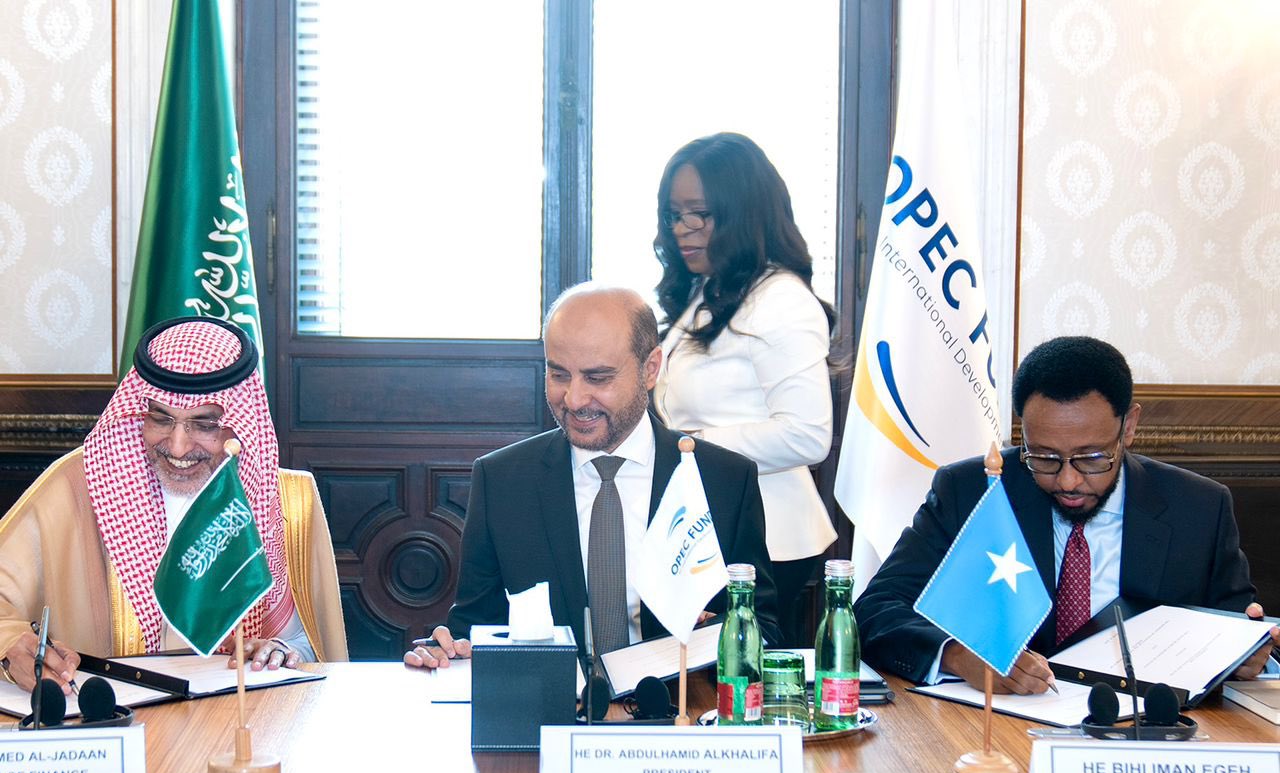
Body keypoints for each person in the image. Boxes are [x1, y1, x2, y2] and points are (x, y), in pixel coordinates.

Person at [856, 335, 1276, 693]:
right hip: (1002, 723)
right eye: (1044, 457)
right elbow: (876, 608)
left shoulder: (1198, 507)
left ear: (1129, 426)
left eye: (1091, 458)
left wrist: (1249, 656)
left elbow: (1238, 629)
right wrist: (958, 657)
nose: (1069, 481)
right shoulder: (972, 491)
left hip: (1147, 730)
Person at [405, 282, 780, 669]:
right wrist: (444, 649)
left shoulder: (722, 480)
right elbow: (474, 628)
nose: (574, 399)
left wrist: (709, 638)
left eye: (598, 378)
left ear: (650, 369)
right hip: (551, 702)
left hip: (678, 702)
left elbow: (763, 628)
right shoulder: (502, 481)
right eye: (559, 375)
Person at [0, 318, 348, 692]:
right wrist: (11, 645)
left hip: (242, 718)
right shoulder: (76, 485)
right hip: (110, 716)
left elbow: (310, 642)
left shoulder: (289, 502)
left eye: (204, 425)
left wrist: (280, 650)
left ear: (239, 423)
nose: (178, 447)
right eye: (161, 419)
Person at [650, 132, 836, 645]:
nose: (681, 229)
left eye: (699, 214)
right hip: (710, 528)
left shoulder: (781, 300)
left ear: (744, 212)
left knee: (742, 683)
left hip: (770, 539)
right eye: (674, 214)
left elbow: (807, 435)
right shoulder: (709, 290)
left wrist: (690, 445)